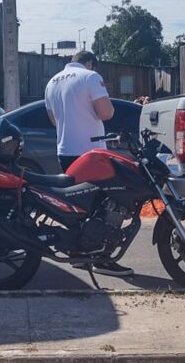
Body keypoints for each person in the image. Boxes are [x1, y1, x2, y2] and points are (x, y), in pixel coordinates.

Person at [44, 51, 133, 277]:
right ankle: (103, 259)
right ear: (90, 63)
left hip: (65, 151)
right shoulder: (90, 77)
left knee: (79, 209)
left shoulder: (51, 83)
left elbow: (53, 120)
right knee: (108, 207)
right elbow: (106, 113)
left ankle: (80, 255)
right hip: (90, 153)